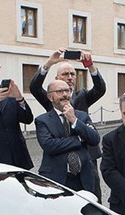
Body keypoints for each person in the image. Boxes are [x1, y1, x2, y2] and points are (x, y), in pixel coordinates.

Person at [29, 48, 106, 200]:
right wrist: (49, 63)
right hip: (60, 162)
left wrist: (90, 65)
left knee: (93, 197)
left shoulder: (82, 95)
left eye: (72, 74)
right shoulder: (50, 98)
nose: (69, 77)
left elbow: (100, 89)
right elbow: (35, 88)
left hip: (87, 157)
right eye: (65, 74)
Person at [35, 80, 100, 193]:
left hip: (83, 178)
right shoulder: (42, 120)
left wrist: (74, 120)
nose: (65, 94)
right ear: (50, 97)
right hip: (56, 179)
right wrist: (78, 139)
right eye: (59, 91)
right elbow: (50, 146)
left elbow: (94, 139)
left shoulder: (82, 116)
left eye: (67, 91)